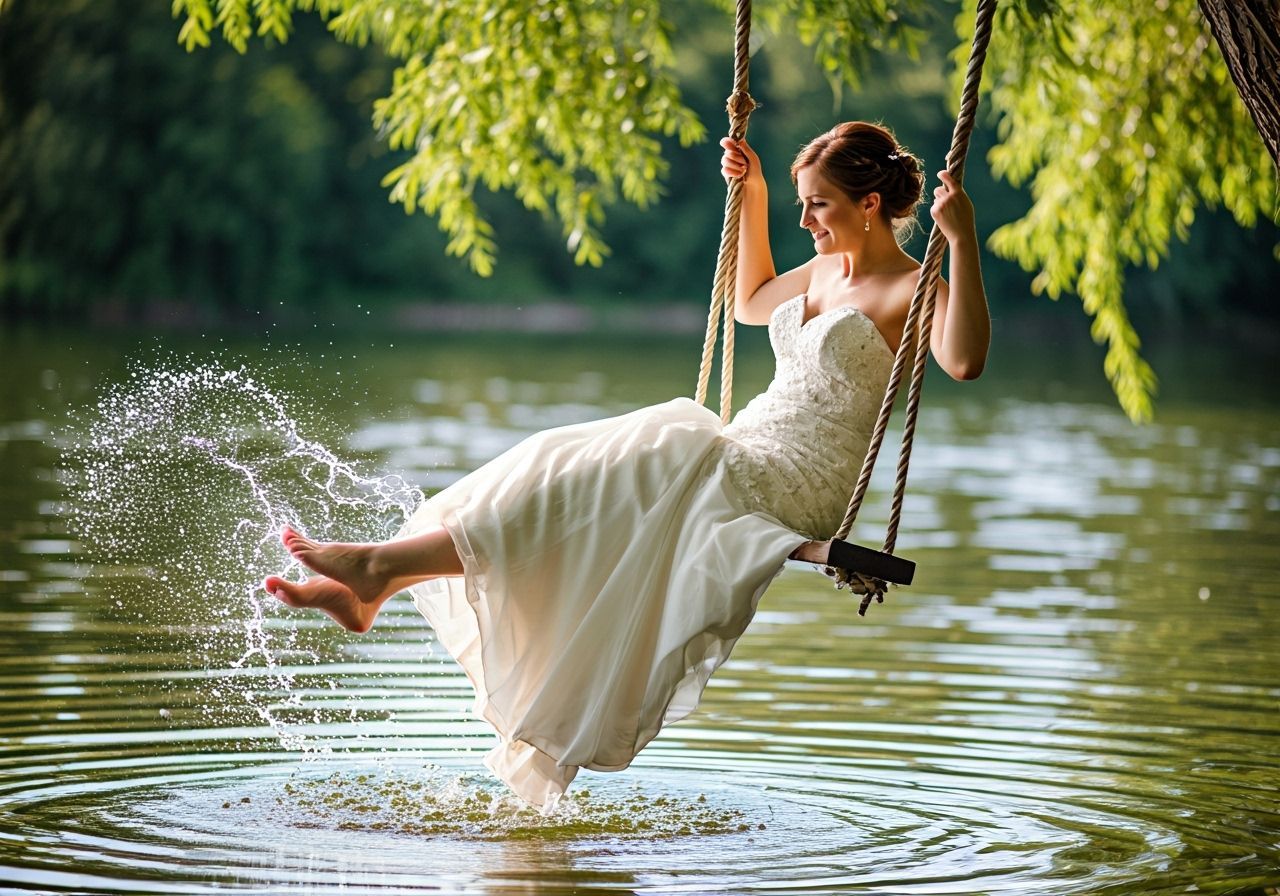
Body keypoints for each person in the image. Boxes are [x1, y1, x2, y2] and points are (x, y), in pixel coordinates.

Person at [264, 121, 991, 811]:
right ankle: (381, 579)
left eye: (818, 206)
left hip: (801, 477)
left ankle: (382, 572)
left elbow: (963, 362)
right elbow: (747, 302)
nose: (808, 221)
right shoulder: (824, 269)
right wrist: (758, 191)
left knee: (658, 448)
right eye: (802, 206)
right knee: (579, 466)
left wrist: (960, 244)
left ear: (869, 205)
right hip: (744, 448)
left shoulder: (911, 288)